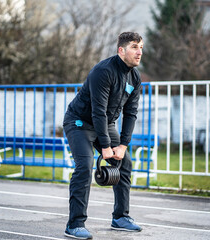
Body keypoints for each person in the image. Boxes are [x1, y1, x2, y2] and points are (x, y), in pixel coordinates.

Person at [63, 32, 143, 239]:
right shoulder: (103, 71)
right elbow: (98, 110)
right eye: (134, 47)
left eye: (141, 47)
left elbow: (131, 113)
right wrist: (106, 147)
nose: (139, 51)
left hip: (105, 124)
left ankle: (120, 217)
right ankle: (75, 224)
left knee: (124, 162)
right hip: (79, 122)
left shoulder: (135, 77)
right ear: (121, 50)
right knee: (84, 166)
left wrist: (123, 145)